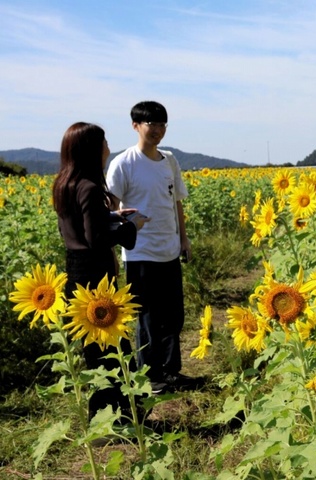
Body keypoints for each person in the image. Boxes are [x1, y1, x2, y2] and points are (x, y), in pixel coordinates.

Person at [53, 122, 150, 421]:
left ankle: (102, 416)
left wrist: (111, 215)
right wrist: (132, 225)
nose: (108, 147)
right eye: (104, 142)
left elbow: (82, 227)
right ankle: (122, 416)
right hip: (96, 277)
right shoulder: (91, 187)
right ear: (92, 150)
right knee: (115, 348)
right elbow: (97, 240)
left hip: (76, 272)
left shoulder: (64, 183)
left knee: (93, 349)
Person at [105, 101, 200, 394]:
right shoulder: (124, 163)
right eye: (151, 125)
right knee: (147, 316)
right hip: (139, 251)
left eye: (162, 125)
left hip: (169, 248)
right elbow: (111, 207)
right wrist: (116, 241)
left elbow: (177, 203)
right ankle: (150, 376)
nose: (157, 130)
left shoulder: (169, 161)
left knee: (173, 315)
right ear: (136, 125)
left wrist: (183, 238)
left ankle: (172, 371)